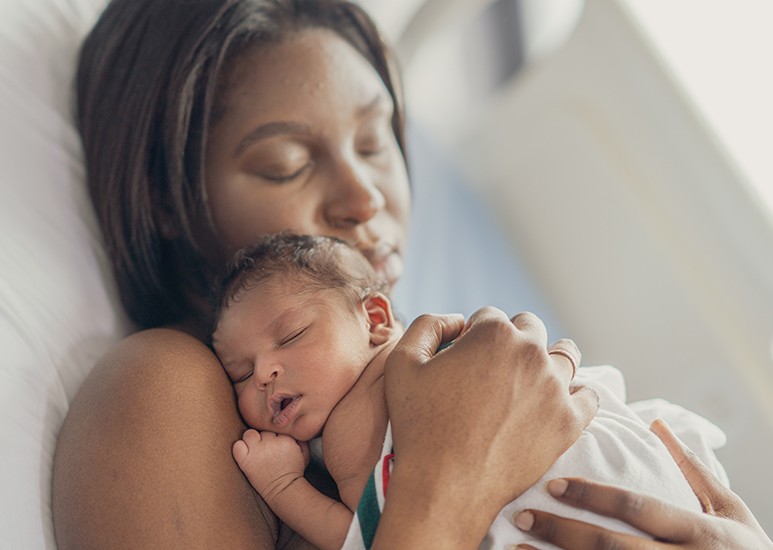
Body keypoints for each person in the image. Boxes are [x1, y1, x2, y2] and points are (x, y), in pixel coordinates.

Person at [50, 1, 772, 548]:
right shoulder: (163, 389)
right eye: (287, 164)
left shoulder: (417, 376)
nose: (365, 198)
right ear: (165, 198)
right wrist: (453, 473)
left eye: (374, 143)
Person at [210, 232, 732, 550]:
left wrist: (284, 489)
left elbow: (359, 537)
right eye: (238, 372)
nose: (263, 374)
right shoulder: (356, 423)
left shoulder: (356, 425)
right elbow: (384, 531)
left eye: (292, 336)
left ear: (374, 319)